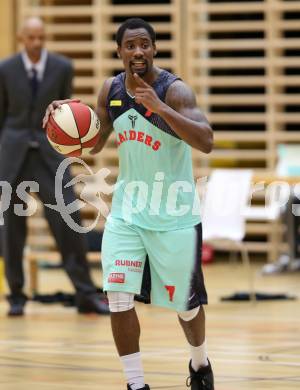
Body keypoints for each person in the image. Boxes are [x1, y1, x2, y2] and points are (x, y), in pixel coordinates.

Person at [44, 18, 214, 390]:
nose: (138, 52)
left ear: (154, 49)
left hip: (174, 215)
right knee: (118, 297)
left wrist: (159, 107)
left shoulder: (175, 91)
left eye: (145, 45)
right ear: (119, 51)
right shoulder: (112, 90)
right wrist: (63, 119)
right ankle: (136, 384)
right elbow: (94, 143)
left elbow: (206, 140)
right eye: (130, 46)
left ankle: (200, 364)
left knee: (184, 306)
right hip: (127, 213)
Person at [0, 17, 109, 316]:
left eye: (40, 37)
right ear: (22, 37)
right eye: (31, 37)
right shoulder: (5, 69)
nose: (36, 43)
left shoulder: (62, 67)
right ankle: (17, 296)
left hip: (51, 155)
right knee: (10, 228)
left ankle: (85, 293)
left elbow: (66, 111)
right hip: (13, 156)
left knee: (68, 219)